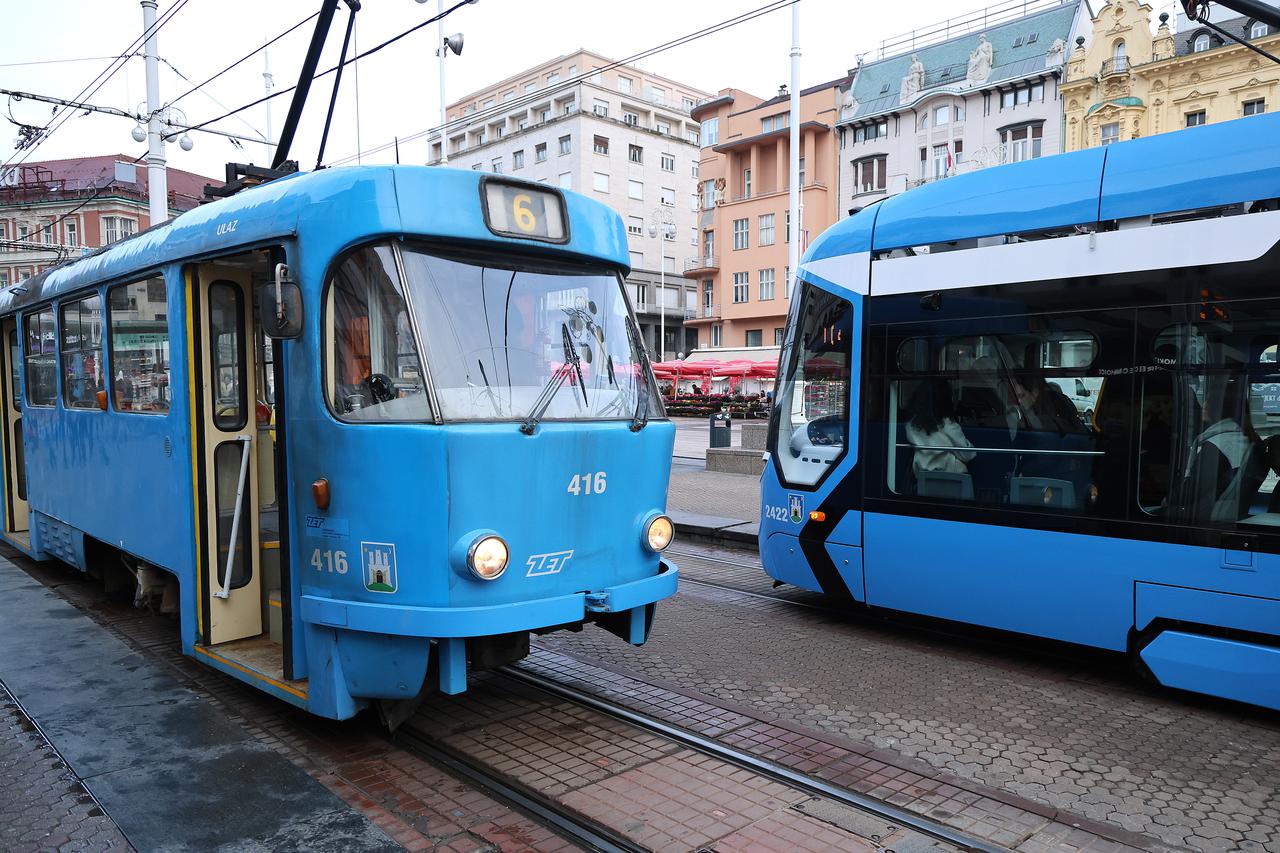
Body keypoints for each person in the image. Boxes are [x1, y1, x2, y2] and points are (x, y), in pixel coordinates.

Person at [905, 379, 975, 473]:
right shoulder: (947, 424)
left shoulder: (911, 426)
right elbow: (967, 455)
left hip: (922, 477)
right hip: (952, 477)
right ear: (945, 400)